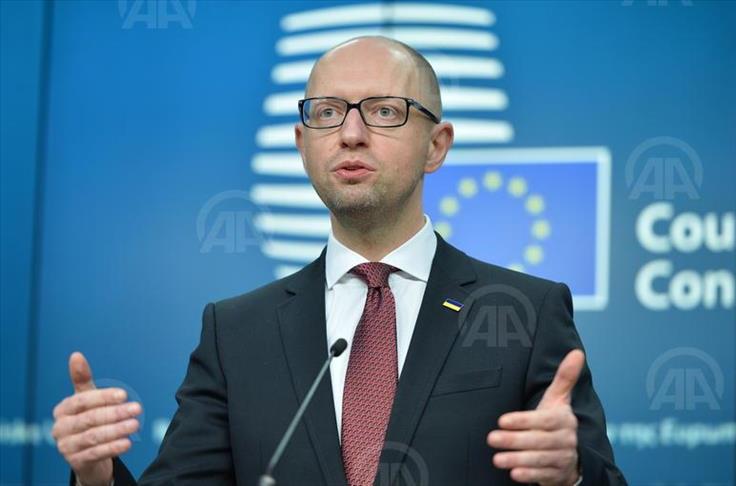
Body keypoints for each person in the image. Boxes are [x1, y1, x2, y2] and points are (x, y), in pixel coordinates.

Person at [52, 36, 627, 486]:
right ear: (302, 145)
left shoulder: (525, 311)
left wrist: (570, 474)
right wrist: (96, 477)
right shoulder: (236, 331)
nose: (351, 133)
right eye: (327, 113)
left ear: (436, 146)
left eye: (384, 111)